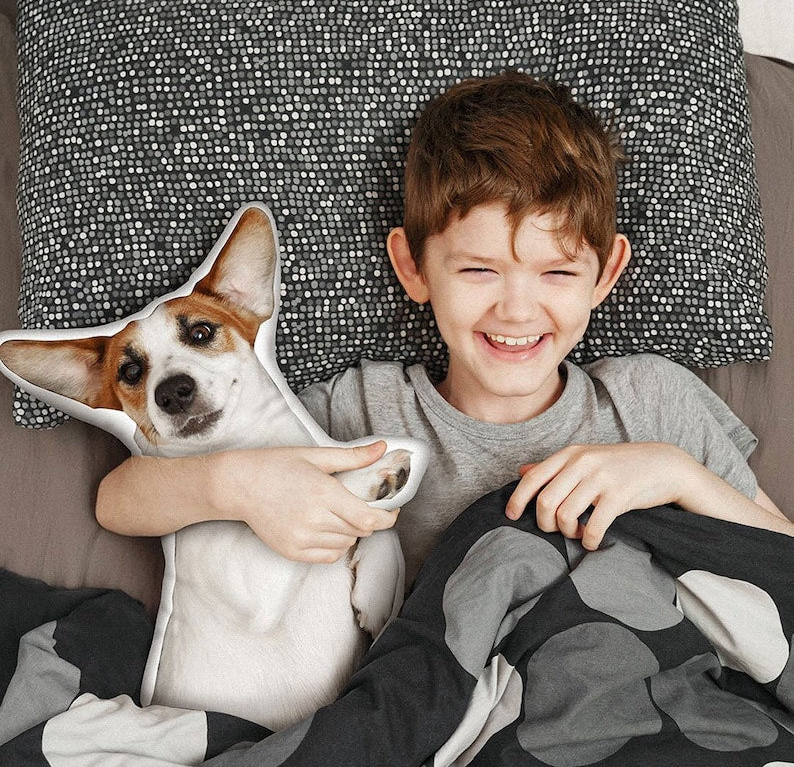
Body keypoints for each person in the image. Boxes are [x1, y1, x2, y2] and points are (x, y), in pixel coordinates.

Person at [96, 71, 793, 592]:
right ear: (414, 267)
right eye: (480, 271)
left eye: (556, 273)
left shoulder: (654, 402)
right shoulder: (362, 413)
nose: (516, 311)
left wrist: (676, 474)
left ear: (605, 274)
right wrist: (237, 486)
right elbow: (118, 501)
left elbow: (783, 561)